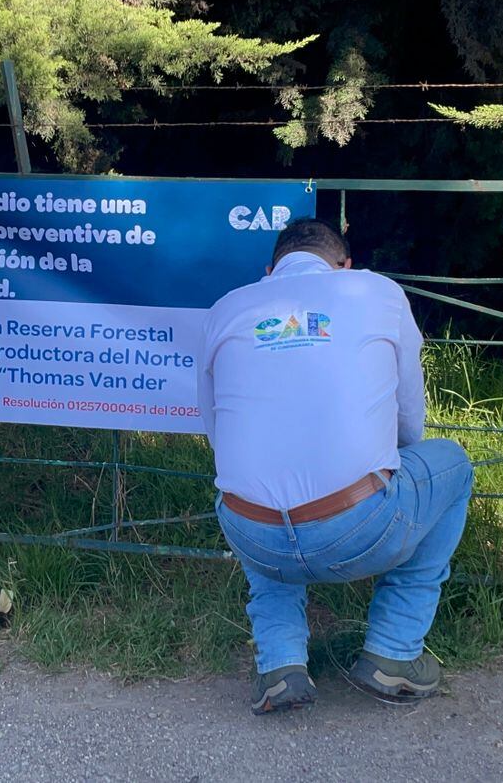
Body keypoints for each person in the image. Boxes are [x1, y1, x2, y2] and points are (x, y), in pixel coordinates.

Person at [197, 218, 473, 714]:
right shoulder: (376, 292)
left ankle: (279, 664)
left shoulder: (225, 309)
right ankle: (394, 651)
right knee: (452, 464)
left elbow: (219, 436)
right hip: (358, 525)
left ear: (269, 271)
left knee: (257, 488)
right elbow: (410, 426)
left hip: (251, 534)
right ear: (345, 265)